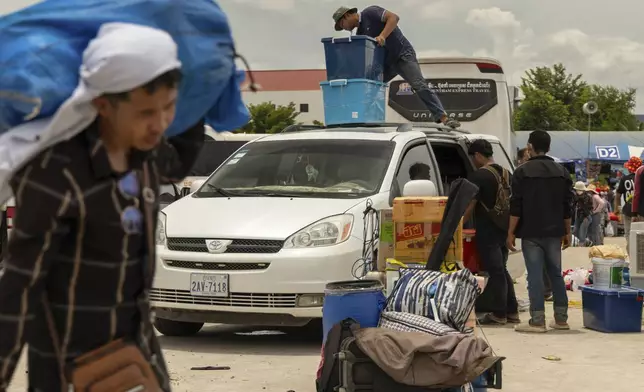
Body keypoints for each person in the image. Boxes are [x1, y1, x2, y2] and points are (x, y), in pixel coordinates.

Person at [0, 24, 205, 391]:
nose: (159, 124)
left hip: (139, 359)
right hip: (72, 369)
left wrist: (203, 93)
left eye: (168, 107)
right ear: (103, 105)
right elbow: (19, 291)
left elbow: (178, 163)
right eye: (145, 112)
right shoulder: (55, 174)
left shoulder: (144, 154)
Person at [332, 6, 460, 128]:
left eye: (341, 24)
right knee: (370, 86)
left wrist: (382, 35)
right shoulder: (360, 33)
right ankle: (360, 119)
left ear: (347, 15)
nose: (343, 28)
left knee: (418, 84)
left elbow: (394, 18)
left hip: (402, 55)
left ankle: (443, 117)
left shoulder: (370, 12)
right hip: (387, 63)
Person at [508, 130, 571, 333]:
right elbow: (566, 205)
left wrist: (510, 232)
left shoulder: (522, 172)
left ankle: (537, 320)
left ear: (530, 147)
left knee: (534, 275)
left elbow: (516, 206)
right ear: (549, 147)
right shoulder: (562, 172)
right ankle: (561, 319)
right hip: (555, 231)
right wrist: (567, 231)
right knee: (556, 274)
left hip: (531, 232)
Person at [464, 139, 519, 325]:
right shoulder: (507, 173)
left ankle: (499, 314)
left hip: (487, 229)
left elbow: (470, 206)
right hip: (504, 228)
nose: (473, 161)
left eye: (473, 157)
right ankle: (512, 311)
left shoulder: (478, 176)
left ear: (478, 155)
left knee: (495, 271)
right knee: (501, 269)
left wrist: (458, 226)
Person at [616, 156, 640, 253]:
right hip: (640, 210)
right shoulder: (641, 178)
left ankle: (631, 256)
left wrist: (617, 208)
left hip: (628, 209)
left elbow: (618, 195)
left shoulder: (624, 179)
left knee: (629, 234)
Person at [573, 181, 593, 246]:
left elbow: (590, 208)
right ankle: (577, 243)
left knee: (582, 230)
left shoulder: (588, 197)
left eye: (579, 190)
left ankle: (582, 244)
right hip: (579, 215)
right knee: (575, 230)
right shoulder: (575, 197)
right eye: (577, 190)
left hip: (587, 216)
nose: (577, 191)